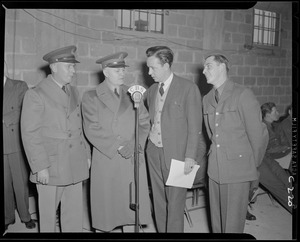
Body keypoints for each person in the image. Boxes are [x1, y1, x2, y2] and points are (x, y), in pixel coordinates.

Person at [20, 45, 91, 232]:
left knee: (74, 216)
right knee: (49, 218)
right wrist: (40, 166)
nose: (74, 71)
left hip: (74, 162)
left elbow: (79, 127)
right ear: (54, 67)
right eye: (69, 67)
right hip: (51, 165)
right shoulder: (35, 94)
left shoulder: (73, 91)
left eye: (73, 66)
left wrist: (86, 155)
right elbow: (30, 134)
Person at [81, 52, 152, 233]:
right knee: (106, 210)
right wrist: (118, 145)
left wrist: (135, 144)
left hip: (131, 157)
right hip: (108, 158)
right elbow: (91, 128)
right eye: (117, 70)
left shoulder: (133, 93)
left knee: (130, 207)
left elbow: (144, 123)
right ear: (106, 72)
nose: (122, 73)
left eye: (123, 70)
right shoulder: (92, 97)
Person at [202, 52, 269, 233]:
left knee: (232, 225)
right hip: (215, 168)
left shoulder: (242, 94)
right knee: (216, 222)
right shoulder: (207, 99)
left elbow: (258, 135)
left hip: (238, 169)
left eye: (208, 66)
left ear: (222, 67)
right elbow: (211, 135)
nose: (203, 71)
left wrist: (252, 168)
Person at [145, 46, 205, 233]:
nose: (149, 72)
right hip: (154, 151)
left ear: (166, 65)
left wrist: (190, 156)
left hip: (179, 156)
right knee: (159, 200)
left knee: (176, 204)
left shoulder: (188, 88)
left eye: (153, 68)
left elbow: (195, 127)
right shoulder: (153, 90)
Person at [3, 64, 36, 231]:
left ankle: (25, 216)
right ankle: (7, 217)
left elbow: (24, 110)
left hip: (15, 143)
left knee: (19, 183)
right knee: (4, 184)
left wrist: (4, 119)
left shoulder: (18, 85)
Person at [255, 102, 292, 213]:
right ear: (267, 114)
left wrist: (286, 148)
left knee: (286, 179)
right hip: (268, 156)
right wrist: (286, 149)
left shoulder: (275, 125)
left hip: (271, 156)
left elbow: (283, 141)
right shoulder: (262, 127)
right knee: (278, 184)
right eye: (275, 111)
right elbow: (267, 148)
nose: (278, 113)